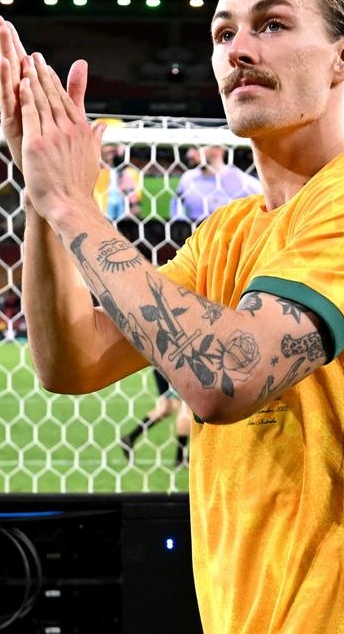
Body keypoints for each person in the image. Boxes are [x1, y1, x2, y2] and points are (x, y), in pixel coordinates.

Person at [0, 0, 344, 634]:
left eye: (273, 24)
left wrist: (74, 204)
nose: (240, 49)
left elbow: (226, 377)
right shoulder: (227, 233)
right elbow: (72, 360)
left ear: (343, 57)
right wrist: (43, 196)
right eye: (222, 34)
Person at [120, 145, 261, 466]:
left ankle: (167, 451)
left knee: (178, 404)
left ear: (218, 147)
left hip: (233, 277)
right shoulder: (186, 182)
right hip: (198, 275)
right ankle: (186, 458)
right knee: (188, 401)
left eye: (198, 146)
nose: (191, 152)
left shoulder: (247, 186)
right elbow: (177, 220)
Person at [170, 145, 262, 222]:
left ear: (218, 150)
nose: (189, 154)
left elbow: (266, 205)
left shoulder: (242, 181)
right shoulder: (188, 178)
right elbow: (176, 202)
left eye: (196, 148)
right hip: (197, 239)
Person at [93, 142, 142, 220]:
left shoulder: (127, 171)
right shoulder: (94, 171)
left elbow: (131, 191)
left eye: (115, 146)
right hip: (102, 210)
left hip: (122, 209)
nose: (112, 149)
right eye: (108, 145)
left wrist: (134, 205)